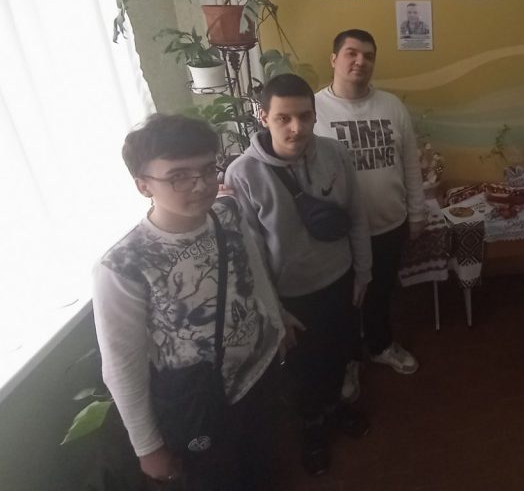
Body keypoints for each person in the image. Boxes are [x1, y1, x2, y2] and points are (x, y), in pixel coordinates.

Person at [94, 114, 289, 489]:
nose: (200, 185)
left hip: (259, 374)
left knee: (266, 465)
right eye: (178, 176)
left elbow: (253, 270)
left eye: (207, 169)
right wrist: (148, 448)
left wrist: (277, 322)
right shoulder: (124, 265)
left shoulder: (226, 213)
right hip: (201, 400)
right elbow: (122, 364)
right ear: (143, 185)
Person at [225, 74, 372, 477]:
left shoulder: (334, 153)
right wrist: (275, 312)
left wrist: (363, 272)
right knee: (304, 371)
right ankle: (312, 428)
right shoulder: (243, 173)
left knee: (339, 354)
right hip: (291, 297)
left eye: (305, 117)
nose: (297, 128)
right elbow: (252, 255)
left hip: (340, 279)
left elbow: (357, 215)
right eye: (283, 118)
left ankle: (335, 408)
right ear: (263, 117)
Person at [314, 29, 427, 404]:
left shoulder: (392, 106)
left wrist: (416, 213)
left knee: (380, 294)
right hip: (339, 234)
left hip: (388, 223)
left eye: (368, 55)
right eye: (351, 53)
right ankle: (350, 360)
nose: (360, 61)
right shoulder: (313, 110)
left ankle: (380, 346)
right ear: (334, 59)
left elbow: (410, 165)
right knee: (344, 302)